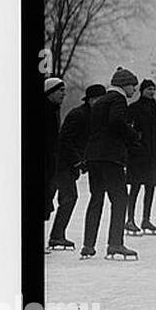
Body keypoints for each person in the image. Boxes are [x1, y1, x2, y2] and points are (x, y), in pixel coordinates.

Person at [82, 66, 140, 259]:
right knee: (120, 199)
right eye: (133, 86)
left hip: (94, 156)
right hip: (111, 157)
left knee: (96, 198)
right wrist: (131, 134)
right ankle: (115, 243)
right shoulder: (118, 99)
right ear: (125, 85)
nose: (134, 90)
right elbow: (116, 122)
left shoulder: (100, 101)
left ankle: (88, 245)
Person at [49, 84, 103, 250]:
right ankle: (56, 236)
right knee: (67, 198)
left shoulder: (92, 115)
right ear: (92, 99)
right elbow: (66, 140)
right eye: (100, 99)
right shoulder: (79, 115)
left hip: (68, 165)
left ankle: (57, 235)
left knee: (62, 198)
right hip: (61, 164)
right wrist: (78, 160)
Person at [124, 79, 156, 235]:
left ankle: (146, 219)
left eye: (153, 89)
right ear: (142, 90)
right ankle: (130, 220)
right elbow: (128, 130)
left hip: (153, 155)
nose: (151, 92)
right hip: (138, 155)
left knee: (150, 187)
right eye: (149, 89)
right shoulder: (134, 108)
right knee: (135, 187)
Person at [43, 77, 67, 250]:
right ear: (50, 92)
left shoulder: (54, 110)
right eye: (60, 90)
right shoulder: (45, 111)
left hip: (51, 164)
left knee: (46, 202)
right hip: (45, 164)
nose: (63, 94)